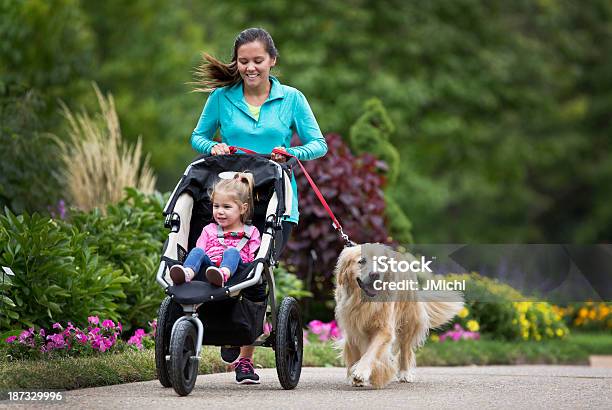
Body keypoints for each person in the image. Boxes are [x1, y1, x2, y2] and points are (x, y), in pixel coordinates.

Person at [190, 27, 328, 384]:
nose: (250, 68)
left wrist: (293, 152)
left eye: (258, 61)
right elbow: (198, 136)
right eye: (243, 61)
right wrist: (213, 147)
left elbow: (318, 144)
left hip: (277, 198)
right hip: (229, 195)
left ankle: (245, 352)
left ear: (272, 61)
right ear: (236, 63)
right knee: (220, 256)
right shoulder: (222, 98)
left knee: (255, 265)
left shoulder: (292, 98)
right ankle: (228, 326)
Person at [169, 172, 260, 287]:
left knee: (232, 252)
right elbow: (200, 251)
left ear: (243, 208)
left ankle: (223, 274)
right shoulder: (209, 230)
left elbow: (254, 258)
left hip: (236, 273)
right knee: (197, 251)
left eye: (226, 207)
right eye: (216, 206)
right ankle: (187, 273)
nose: (220, 211)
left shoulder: (251, 231)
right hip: (209, 270)